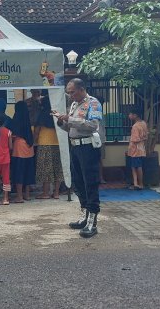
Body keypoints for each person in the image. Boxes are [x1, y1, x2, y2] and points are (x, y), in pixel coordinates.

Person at [52, 78, 102, 238]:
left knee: (90, 183)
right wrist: (61, 122)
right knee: (78, 183)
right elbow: (70, 127)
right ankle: (84, 216)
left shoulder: (93, 103)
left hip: (88, 147)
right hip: (75, 146)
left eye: (72, 91)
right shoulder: (74, 105)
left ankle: (92, 222)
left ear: (81, 89)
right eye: (69, 92)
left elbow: (93, 125)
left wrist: (70, 119)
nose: (70, 95)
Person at [34, 96, 64, 199]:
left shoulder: (42, 114)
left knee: (45, 169)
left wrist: (35, 140)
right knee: (57, 168)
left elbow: (37, 130)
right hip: (58, 143)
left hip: (44, 143)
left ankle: (45, 193)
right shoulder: (56, 114)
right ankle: (56, 193)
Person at [10, 101, 35, 203]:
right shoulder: (27, 118)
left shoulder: (16, 118)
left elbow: (13, 134)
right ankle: (27, 195)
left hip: (19, 147)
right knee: (28, 171)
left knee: (19, 172)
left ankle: (19, 196)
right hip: (29, 147)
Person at [127, 108, 148, 190]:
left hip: (135, 149)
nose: (129, 116)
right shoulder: (143, 123)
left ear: (135, 115)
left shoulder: (135, 126)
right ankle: (136, 183)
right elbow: (146, 136)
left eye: (130, 114)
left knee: (136, 166)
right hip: (141, 148)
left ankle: (140, 183)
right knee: (135, 166)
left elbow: (135, 139)